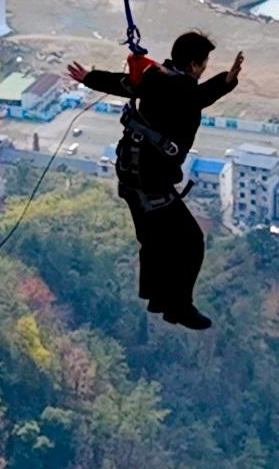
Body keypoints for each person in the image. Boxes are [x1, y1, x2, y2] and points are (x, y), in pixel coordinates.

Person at [69, 32, 243, 329]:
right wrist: (226, 81)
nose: (202, 70)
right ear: (193, 64)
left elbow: (123, 84)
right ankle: (178, 306)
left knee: (154, 239)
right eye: (203, 64)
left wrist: (89, 77)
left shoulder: (155, 79)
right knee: (190, 241)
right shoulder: (178, 87)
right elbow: (194, 96)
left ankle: (158, 299)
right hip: (149, 179)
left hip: (132, 172)